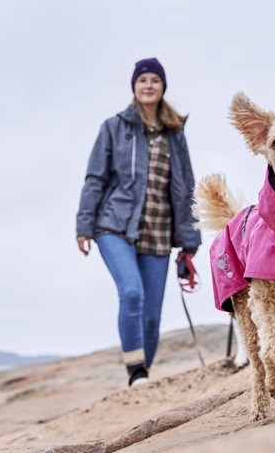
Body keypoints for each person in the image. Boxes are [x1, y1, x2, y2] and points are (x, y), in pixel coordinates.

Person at [76, 57, 202, 387]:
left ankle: (143, 372)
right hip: (114, 226)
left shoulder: (175, 134)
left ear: (162, 88)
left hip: (159, 232)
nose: (148, 85)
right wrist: (84, 225)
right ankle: (136, 373)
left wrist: (189, 240)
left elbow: (186, 186)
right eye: (142, 79)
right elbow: (94, 178)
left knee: (151, 316)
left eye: (154, 80)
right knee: (132, 294)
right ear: (134, 86)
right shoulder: (113, 127)